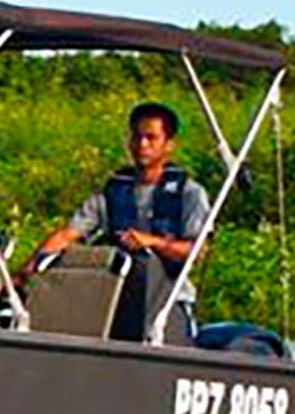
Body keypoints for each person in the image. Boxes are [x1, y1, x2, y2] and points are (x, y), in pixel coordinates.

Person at [24, 100, 212, 341]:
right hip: (115, 298)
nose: (142, 145)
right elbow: (67, 234)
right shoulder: (113, 192)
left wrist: (152, 242)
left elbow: (196, 251)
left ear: (169, 145)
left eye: (151, 138)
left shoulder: (190, 193)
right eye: (137, 137)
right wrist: (26, 272)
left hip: (167, 303)